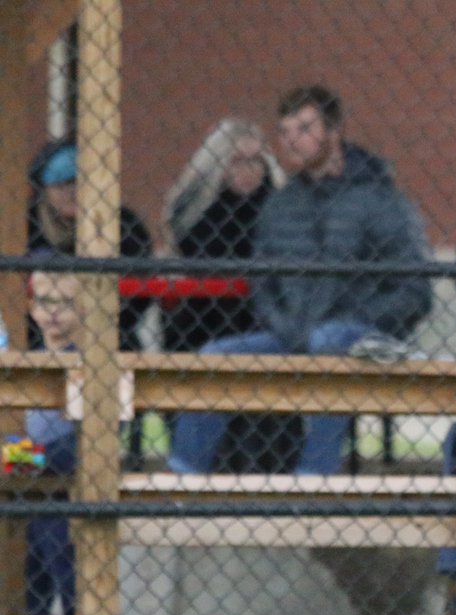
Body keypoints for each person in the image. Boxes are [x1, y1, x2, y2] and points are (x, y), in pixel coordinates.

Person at [167, 86, 432, 475]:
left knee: (329, 340)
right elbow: (263, 284)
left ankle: (313, 482)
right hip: (290, 335)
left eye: (304, 128)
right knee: (214, 358)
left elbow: (414, 291)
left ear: (333, 130)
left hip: (363, 338)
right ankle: (179, 481)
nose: (292, 140)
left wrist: (355, 319)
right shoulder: (282, 204)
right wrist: (285, 324)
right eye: (286, 131)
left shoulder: (380, 199)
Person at [161, 118, 288, 351]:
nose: (248, 170)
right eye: (238, 161)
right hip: (200, 320)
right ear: (219, 163)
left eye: (256, 161)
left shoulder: (278, 207)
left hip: (261, 321)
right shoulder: (198, 212)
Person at [26, 140, 153, 351]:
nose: (72, 191)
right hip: (38, 333)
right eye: (60, 184)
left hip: (111, 331)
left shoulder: (123, 224)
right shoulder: (28, 224)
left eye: (78, 182)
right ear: (44, 190)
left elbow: (140, 291)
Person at [19, 270, 83, 615]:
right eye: (44, 301)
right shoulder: (29, 362)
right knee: (33, 574)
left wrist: (15, 458)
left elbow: (80, 446)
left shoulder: (90, 361)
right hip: (33, 493)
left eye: (64, 301)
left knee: (63, 569)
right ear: (31, 308)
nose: (53, 312)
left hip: (70, 494)